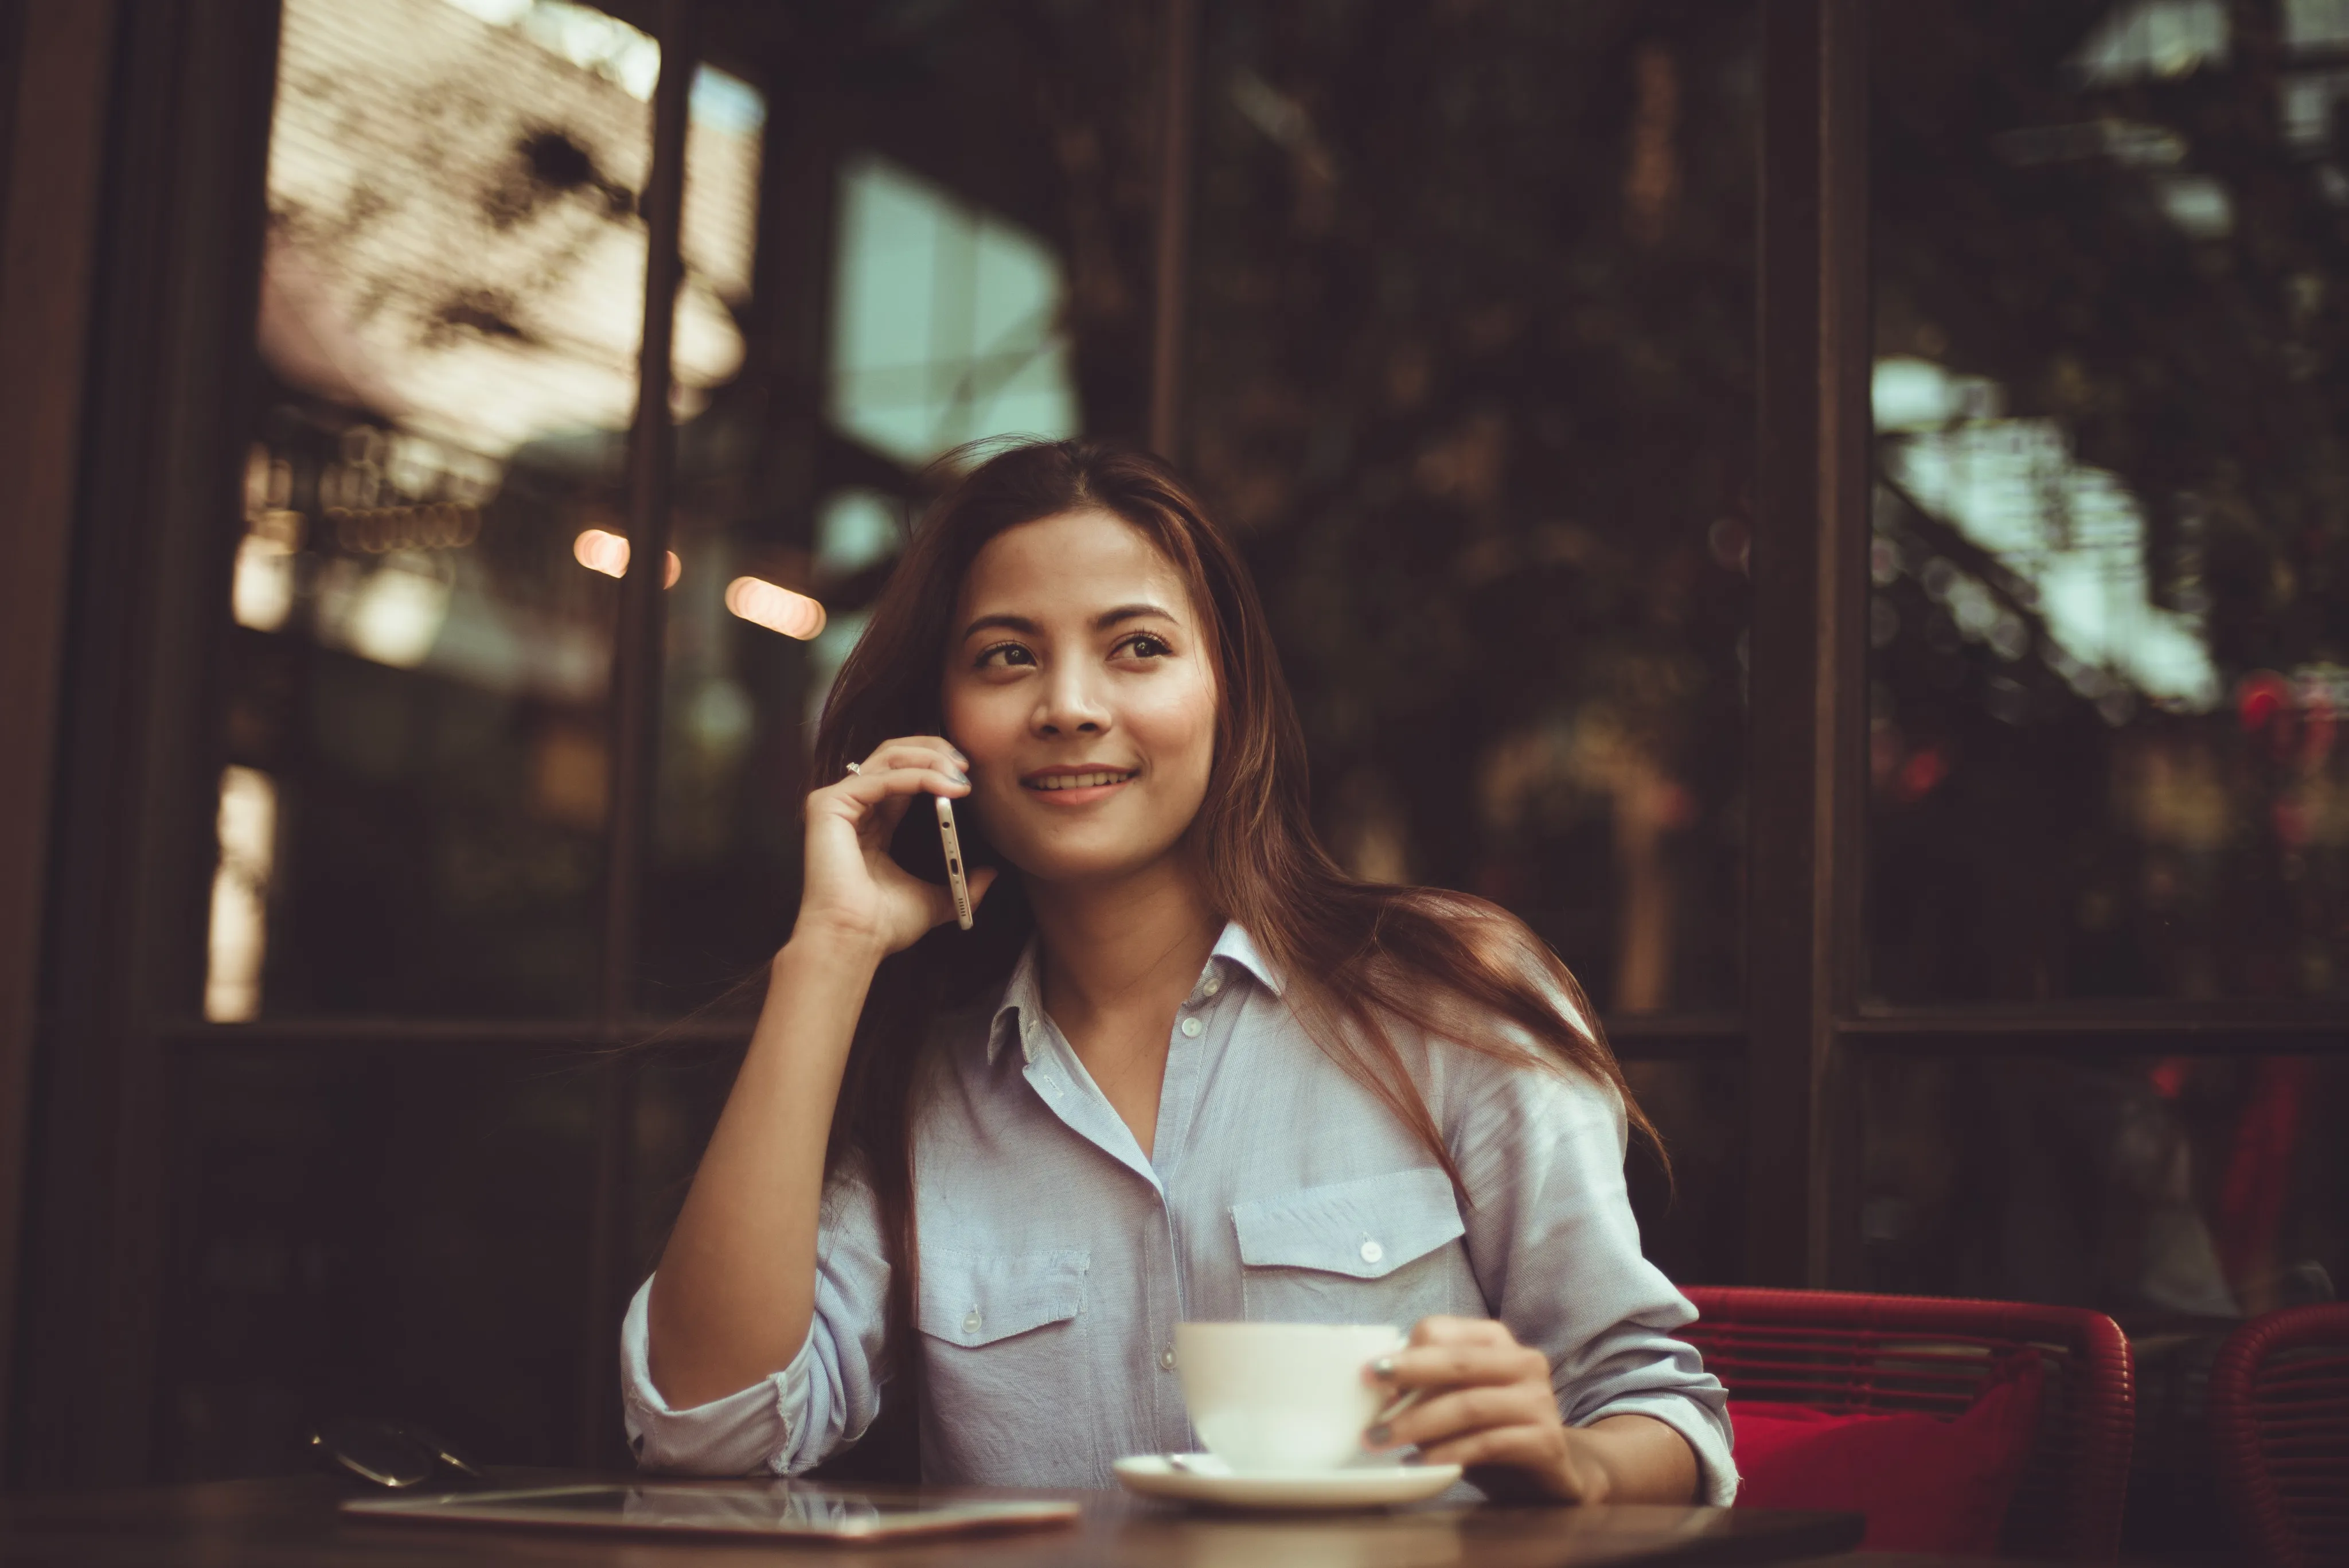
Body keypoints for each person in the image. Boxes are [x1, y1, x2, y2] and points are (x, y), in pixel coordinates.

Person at [622, 439, 1735, 1504]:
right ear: (944, 725)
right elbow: (704, 1429)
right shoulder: (921, 1083)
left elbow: (1656, 1406)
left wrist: (1572, 1464)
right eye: (1007, 655)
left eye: (1137, 646)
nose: (1066, 704)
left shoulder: (1442, 995)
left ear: (1227, 693)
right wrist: (828, 952)